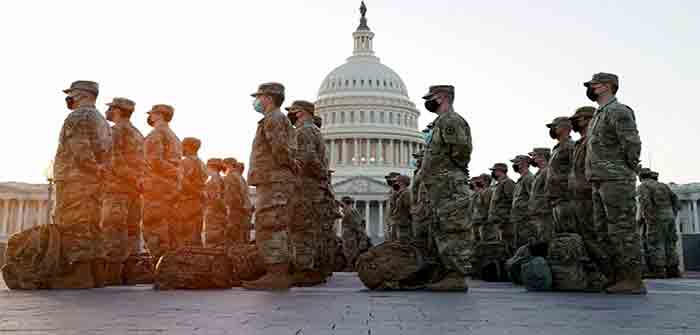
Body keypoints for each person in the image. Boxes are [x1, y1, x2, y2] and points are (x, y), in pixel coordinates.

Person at [584, 72, 645, 294]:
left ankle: (633, 279)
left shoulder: (619, 111)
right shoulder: (599, 115)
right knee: (604, 231)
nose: (591, 88)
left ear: (608, 86)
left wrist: (626, 168)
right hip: (599, 179)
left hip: (616, 178)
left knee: (622, 229)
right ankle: (617, 277)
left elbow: (631, 143)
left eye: (595, 85)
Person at [53, 80, 111, 288]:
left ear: (83, 95)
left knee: (74, 224)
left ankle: (79, 275)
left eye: (72, 94)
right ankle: (96, 274)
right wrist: (100, 173)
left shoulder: (78, 116)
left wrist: (92, 169)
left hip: (75, 178)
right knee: (92, 224)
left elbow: (80, 149)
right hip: (95, 182)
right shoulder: (101, 120)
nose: (69, 98)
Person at [243, 82, 296, 290]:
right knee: (273, 223)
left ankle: (277, 274)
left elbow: (280, 149)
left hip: (274, 180)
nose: (257, 101)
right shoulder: (274, 119)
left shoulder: (274, 119)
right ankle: (276, 272)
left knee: (270, 224)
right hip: (274, 179)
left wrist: (287, 166)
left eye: (260, 96)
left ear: (269, 98)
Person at [420, 85, 472, 291]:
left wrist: (449, 172)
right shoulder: (439, 122)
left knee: (453, 228)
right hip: (440, 185)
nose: (428, 102)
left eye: (431, 98)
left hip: (449, 184)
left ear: (441, 98)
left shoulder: (450, 121)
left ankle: (456, 275)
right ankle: (446, 271)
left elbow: (461, 150)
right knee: (441, 228)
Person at [101, 97, 145, 285]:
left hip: (116, 190)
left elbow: (113, 160)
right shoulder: (137, 133)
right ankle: (129, 274)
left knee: (113, 230)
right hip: (135, 191)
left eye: (110, 108)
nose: (107, 112)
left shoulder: (115, 131)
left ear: (117, 110)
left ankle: (112, 276)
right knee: (132, 232)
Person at [285, 100, 327, 286]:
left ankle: (304, 270)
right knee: (309, 229)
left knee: (301, 229)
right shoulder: (314, 130)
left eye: (292, 111)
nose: (290, 116)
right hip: (312, 186)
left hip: (305, 187)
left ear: (301, 112)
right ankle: (312, 269)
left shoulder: (304, 131)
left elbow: (307, 157)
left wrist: (293, 170)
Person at [568, 106, 609, 275]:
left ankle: (606, 272)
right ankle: (596, 272)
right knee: (584, 235)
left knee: (594, 234)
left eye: (578, 119)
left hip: (588, 195)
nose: (575, 123)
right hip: (578, 196)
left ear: (587, 119)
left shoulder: (592, 140)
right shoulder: (580, 143)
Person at [143, 104, 182, 263]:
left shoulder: (156, 134)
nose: (150, 116)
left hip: (157, 185)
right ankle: (171, 264)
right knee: (169, 226)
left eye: (152, 113)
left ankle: (160, 265)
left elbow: (154, 161)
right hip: (171, 186)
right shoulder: (174, 136)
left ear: (158, 115)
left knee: (153, 227)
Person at [637, 168, 681, 278]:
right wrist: (672, 213)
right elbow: (676, 200)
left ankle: (658, 270)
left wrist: (648, 218)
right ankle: (673, 269)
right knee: (670, 242)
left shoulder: (643, 186)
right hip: (669, 215)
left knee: (655, 242)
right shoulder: (663, 185)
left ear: (640, 176)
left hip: (655, 216)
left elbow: (645, 203)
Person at [545, 117, 576, 234]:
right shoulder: (557, 148)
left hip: (566, 197)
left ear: (564, 127)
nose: (552, 129)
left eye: (554, 126)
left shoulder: (570, 146)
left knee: (569, 232)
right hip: (556, 198)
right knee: (560, 233)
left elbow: (576, 169)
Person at [179, 137, 207, 247]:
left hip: (187, 203)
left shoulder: (186, 162)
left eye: (183, 146)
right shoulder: (201, 163)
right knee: (196, 235)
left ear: (188, 147)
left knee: (185, 236)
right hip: (198, 203)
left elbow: (183, 182)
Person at [487, 163, 515, 251]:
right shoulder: (498, 184)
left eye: (494, 171)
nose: (493, 173)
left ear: (500, 171)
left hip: (505, 219)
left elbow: (511, 199)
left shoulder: (508, 182)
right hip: (499, 219)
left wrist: (505, 215)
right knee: (502, 243)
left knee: (508, 243)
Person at [528, 148, 553, 244]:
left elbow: (549, 190)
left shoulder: (547, 171)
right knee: (541, 237)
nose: (532, 159)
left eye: (534, 156)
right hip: (538, 211)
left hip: (545, 211)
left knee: (547, 237)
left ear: (542, 157)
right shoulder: (539, 173)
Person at [510, 155, 535, 250]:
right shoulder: (521, 179)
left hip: (525, 218)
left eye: (517, 163)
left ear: (525, 163)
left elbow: (532, 198)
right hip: (518, 218)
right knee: (519, 245)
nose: (515, 165)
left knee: (525, 245)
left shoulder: (529, 178)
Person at [222, 157, 246, 245]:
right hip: (240, 209)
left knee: (232, 234)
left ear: (227, 164)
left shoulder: (230, 176)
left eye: (224, 165)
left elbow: (232, 195)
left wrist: (229, 208)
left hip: (234, 208)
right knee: (239, 234)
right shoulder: (239, 176)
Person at [340, 196, 366, 271]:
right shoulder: (350, 211)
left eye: (342, 205)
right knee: (348, 251)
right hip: (348, 235)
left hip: (350, 236)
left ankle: (351, 266)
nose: (342, 208)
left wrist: (362, 236)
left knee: (350, 251)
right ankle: (350, 266)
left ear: (346, 203)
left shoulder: (350, 211)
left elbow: (357, 224)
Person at [390, 175, 413, 243]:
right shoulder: (399, 193)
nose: (396, 183)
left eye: (397, 181)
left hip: (403, 222)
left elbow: (408, 206)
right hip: (397, 221)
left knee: (402, 242)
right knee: (394, 241)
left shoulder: (406, 193)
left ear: (402, 182)